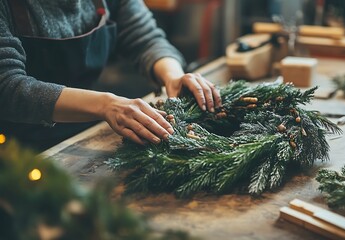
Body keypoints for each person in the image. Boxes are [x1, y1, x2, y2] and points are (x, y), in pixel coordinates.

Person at [0, 0, 222, 151]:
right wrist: (105, 105)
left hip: (82, 130)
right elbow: (7, 87)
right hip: (14, 153)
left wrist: (173, 76)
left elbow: (145, 38)